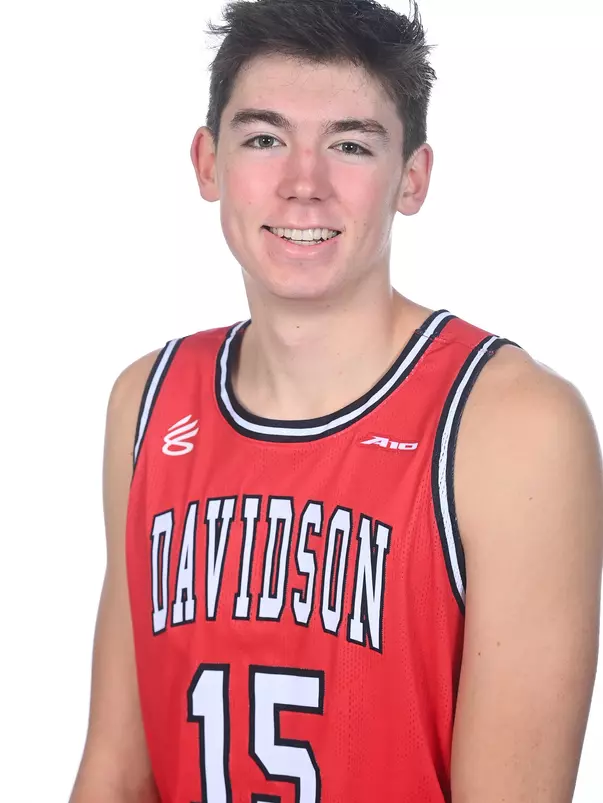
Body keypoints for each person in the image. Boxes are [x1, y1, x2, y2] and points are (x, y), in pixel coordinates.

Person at [69, 1, 603, 801]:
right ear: (208, 163)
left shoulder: (512, 426)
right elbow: (115, 773)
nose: (303, 185)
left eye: (350, 145)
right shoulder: (146, 402)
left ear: (412, 177)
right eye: (264, 139)